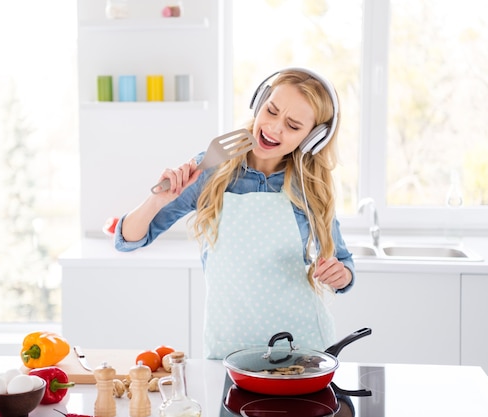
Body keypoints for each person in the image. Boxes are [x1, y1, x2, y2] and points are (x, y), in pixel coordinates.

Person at [114, 67, 355, 359]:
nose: (274, 127)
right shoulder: (211, 170)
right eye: (271, 110)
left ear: (313, 138)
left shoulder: (311, 185)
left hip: (302, 346)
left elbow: (344, 265)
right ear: (259, 102)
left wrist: (340, 275)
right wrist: (157, 200)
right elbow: (128, 239)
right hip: (230, 347)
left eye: (292, 126)